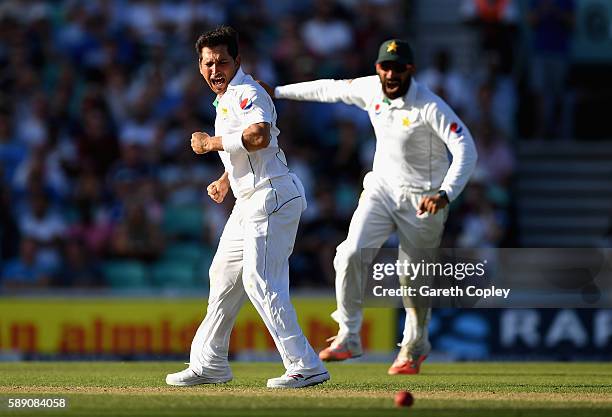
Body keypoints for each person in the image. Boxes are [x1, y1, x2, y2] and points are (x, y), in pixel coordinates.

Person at [261, 39, 477, 375]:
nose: (390, 74)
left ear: (410, 70)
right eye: (384, 67)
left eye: (398, 68)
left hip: (424, 199)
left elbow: (466, 148)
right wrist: (277, 90)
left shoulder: (430, 106)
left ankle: (415, 345)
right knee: (348, 255)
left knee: (412, 277)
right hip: (381, 189)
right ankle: (348, 335)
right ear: (378, 68)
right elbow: (328, 90)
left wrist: (446, 193)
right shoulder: (371, 89)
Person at [165, 26, 329, 389]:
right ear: (199, 65)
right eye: (208, 63)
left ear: (237, 61)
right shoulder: (225, 99)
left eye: (222, 61)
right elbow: (246, 151)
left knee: (260, 281)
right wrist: (225, 179)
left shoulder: (247, 92)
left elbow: (259, 137)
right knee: (222, 276)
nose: (214, 70)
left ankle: (305, 364)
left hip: (271, 195)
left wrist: (210, 143)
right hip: (249, 199)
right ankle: (210, 364)